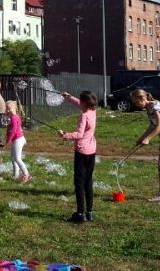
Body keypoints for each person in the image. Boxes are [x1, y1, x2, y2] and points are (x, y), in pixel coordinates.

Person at [130, 88, 160, 206]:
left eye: (137, 103)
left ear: (142, 98)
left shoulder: (155, 107)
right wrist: (141, 138)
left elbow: (159, 127)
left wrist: (148, 139)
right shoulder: (148, 108)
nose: (136, 105)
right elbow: (152, 126)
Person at [58, 91, 98, 223]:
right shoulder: (93, 111)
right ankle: (90, 212)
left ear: (84, 103)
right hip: (92, 151)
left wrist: (65, 135)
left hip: (81, 152)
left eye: (80, 101)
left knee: (79, 183)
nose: (79, 103)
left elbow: (80, 134)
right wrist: (69, 97)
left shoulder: (84, 115)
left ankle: (80, 213)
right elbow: (80, 104)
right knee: (88, 182)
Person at [5, 101, 32, 183]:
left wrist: (9, 139)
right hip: (16, 139)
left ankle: (26, 175)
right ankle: (16, 174)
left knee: (17, 158)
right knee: (13, 158)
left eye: (10, 108)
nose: (8, 110)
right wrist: (8, 137)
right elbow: (12, 129)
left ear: (15, 108)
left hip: (17, 140)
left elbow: (14, 130)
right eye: (7, 109)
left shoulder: (14, 118)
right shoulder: (14, 117)